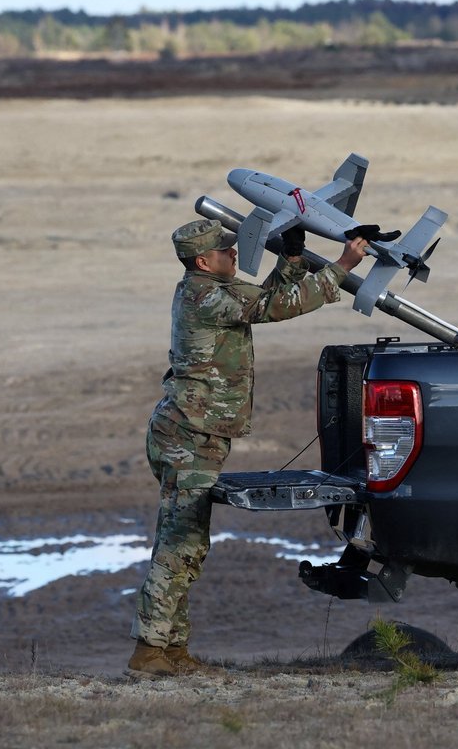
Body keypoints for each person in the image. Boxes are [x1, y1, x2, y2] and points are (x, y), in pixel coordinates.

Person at [126, 218, 368, 679]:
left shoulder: (211, 288)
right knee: (180, 545)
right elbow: (277, 308)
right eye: (225, 251)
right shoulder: (207, 296)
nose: (233, 254)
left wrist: (292, 259)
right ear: (203, 261)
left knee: (188, 542)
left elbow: (265, 299)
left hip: (193, 434)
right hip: (187, 438)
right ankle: (149, 649)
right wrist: (342, 266)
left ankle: (171, 650)